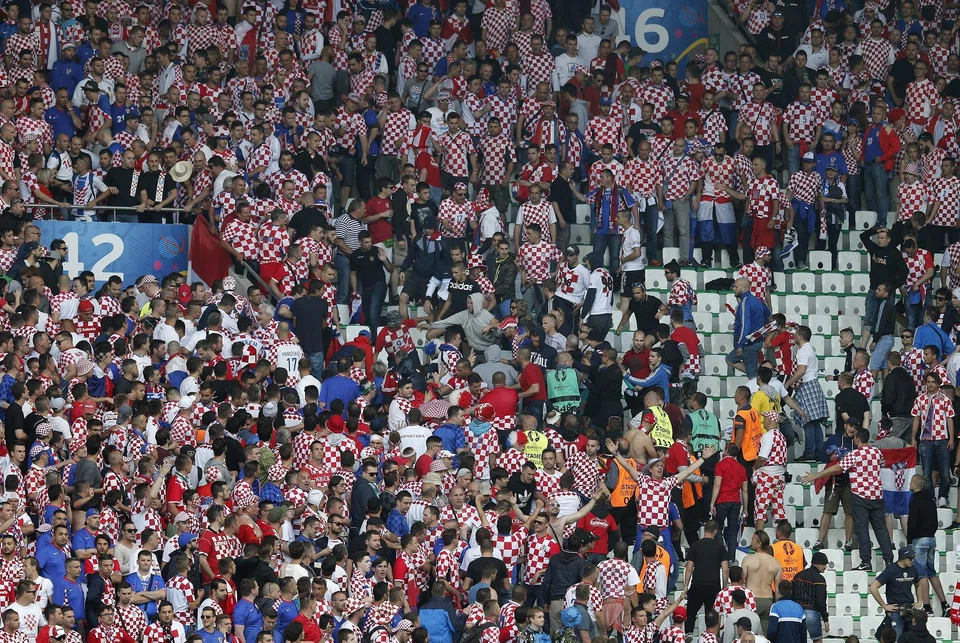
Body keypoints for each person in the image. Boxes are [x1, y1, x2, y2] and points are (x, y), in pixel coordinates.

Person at [802, 428, 895, 572]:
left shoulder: (855, 454)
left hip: (860, 496)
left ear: (857, 439)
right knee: (881, 529)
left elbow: (837, 468)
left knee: (862, 529)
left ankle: (866, 562)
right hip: (877, 495)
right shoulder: (877, 452)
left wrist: (815, 476)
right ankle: (889, 561)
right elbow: (882, 464)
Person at [682, 520, 728, 635]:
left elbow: (689, 568)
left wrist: (685, 586)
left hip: (697, 584)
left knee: (691, 613)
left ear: (704, 529)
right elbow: (725, 569)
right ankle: (711, 636)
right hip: (713, 585)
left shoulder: (695, 546)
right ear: (715, 532)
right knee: (711, 616)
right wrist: (724, 587)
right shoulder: (720, 547)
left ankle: (688, 634)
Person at [868, 547, 919, 639]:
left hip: (909, 609)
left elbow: (918, 584)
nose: (913, 560)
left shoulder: (913, 569)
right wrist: (884, 605)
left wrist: (920, 600)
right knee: (896, 638)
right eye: (910, 558)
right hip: (895, 610)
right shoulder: (891, 570)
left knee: (911, 639)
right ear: (903, 558)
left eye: (913, 558)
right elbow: (873, 587)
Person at [791, 552, 830, 643]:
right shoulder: (820, 579)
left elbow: (792, 595)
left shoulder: (798, 575)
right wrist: (825, 619)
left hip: (797, 612)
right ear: (816, 563)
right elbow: (821, 601)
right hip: (811, 612)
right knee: (817, 640)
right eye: (824, 564)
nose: (825, 567)